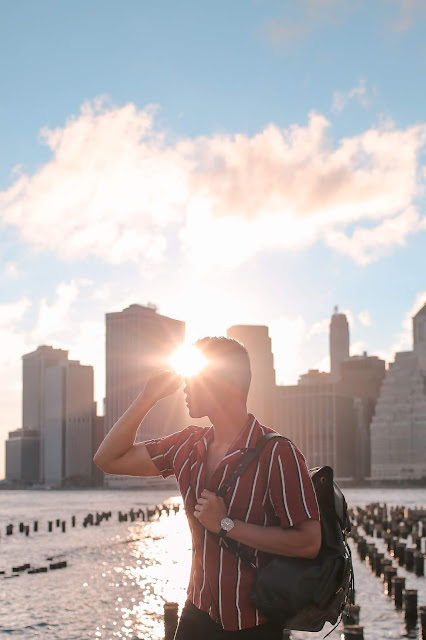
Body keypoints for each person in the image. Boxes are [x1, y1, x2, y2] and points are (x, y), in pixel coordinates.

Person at [93, 336, 321, 639]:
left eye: (195, 376)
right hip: (197, 614)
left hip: (256, 622)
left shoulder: (278, 452)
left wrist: (227, 524)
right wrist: (147, 397)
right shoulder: (186, 445)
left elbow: (308, 543)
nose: (186, 386)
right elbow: (108, 459)